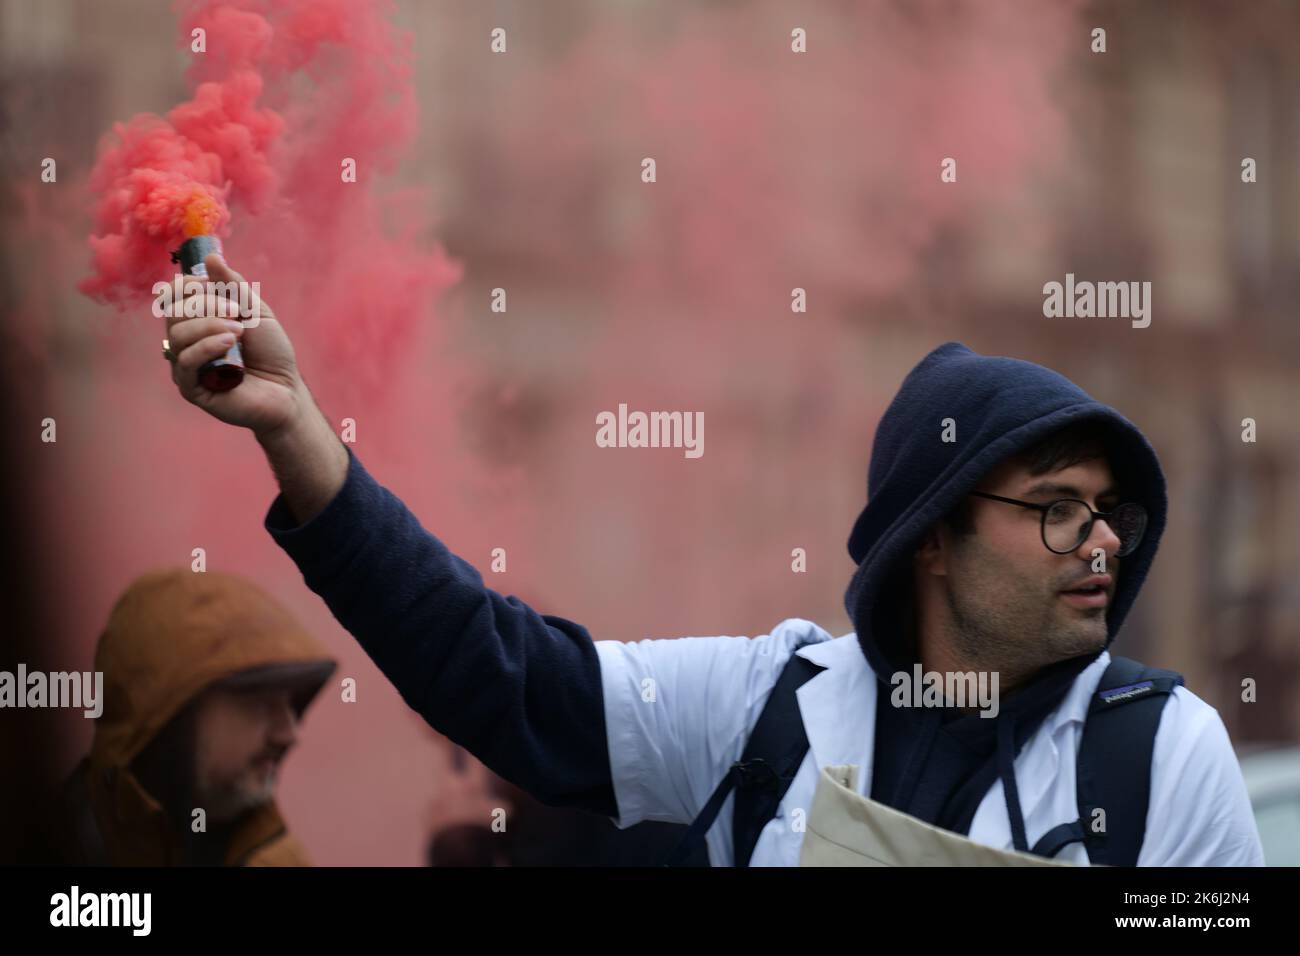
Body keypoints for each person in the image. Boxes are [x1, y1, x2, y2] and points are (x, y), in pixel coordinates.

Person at [159, 255, 1264, 866]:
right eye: (1056, 508)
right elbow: (494, 669)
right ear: (933, 535)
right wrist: (294, 426)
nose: (1103, 540)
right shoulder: (764, 707)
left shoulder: (1165, 753)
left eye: (1109, 509)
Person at [53, 567, 336, 866]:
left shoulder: (276, 860)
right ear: (174, 713)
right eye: (260, 701)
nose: (289, 732)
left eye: (291, 702)